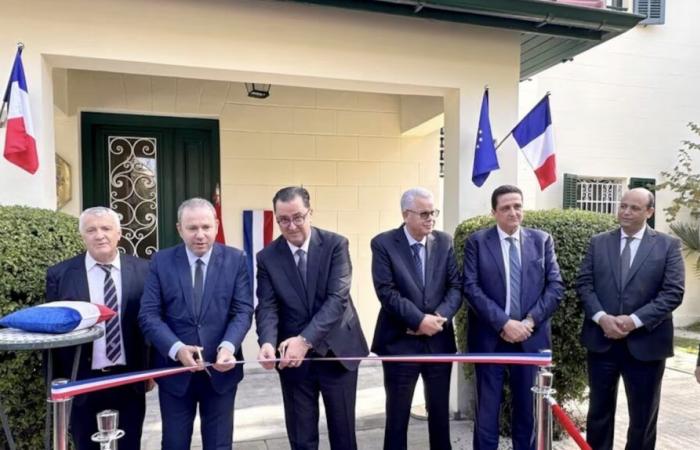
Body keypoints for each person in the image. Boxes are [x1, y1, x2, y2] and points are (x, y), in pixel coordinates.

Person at [255, 186, 369, 450]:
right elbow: (267, 306)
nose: (291, 225)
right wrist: (268, 343)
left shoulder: (335, 245)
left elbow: (336, 300)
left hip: (338, 354)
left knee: (343, 437)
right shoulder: (267, 257)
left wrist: (304, 340)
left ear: (310, 213)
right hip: (294, 362)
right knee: (301, 438)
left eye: (298, 217)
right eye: (283, 219)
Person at [138, 198, 253, 450]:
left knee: (219, 445)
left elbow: (243, 310)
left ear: (216, 225)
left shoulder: (236, 260)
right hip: (176, 374)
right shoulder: (161, 261)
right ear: (180, 228)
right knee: (174, 444)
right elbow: (148, 314)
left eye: (206, 227)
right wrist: (176, 348)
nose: (200, 235)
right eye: (192, 228)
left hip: (221, 372)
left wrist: (228, 346)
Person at [577, 187, 685, 450]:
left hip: (647, 345)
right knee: (598, 415)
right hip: (602, 343)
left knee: (643, 419)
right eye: (623, 205)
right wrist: (602, 318)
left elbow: (673, 292)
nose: (625, 211)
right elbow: (584, 284)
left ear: (649, 212)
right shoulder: (598, 242)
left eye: (634, 208)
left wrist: (633, 321)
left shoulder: (667, 245)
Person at [463, 184, 564, 450]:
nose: (513, 212)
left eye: (517, 206)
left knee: (527, 411)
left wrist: (528, 323)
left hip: (530, 340)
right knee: (486, 411)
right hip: (490, 339)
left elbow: (555, 287)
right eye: (506, 207)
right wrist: (504, 323)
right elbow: (471, 288)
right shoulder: (477, 241)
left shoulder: (542, 240)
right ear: (494, 211)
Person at [45, 207, 150, 450]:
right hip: (82, 380)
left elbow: (149, 323)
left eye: (106, 228)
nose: (99, 235)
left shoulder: (145, 271)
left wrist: (152, 368)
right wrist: (55, 381)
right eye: (91, 230)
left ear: (119, 233)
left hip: (128, 377)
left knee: (129, 443)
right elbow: (52, 331)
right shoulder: (60, 275)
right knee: (86, 443)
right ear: (82, 235)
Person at [370, 187, 462, 450]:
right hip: (400, 343)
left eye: (433, 212)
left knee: (440, 415)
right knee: (397, 418)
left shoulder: (444, 242)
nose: (430, 218)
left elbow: (456, 286)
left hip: (439, 343)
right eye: (423, 213)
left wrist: (439, 318)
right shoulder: (384, 243)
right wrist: (418, 320)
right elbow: (386, 291)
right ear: (405, 214)